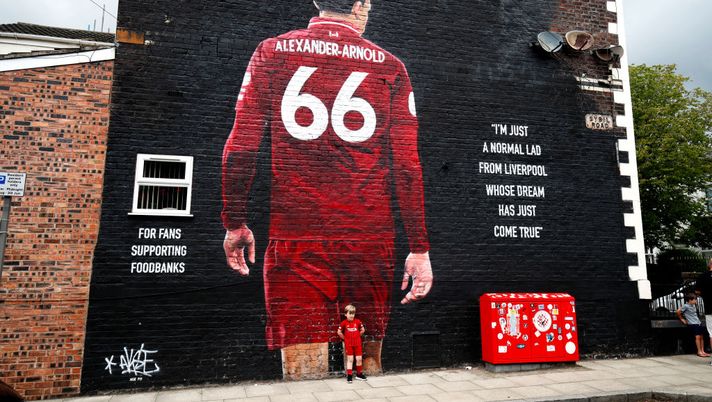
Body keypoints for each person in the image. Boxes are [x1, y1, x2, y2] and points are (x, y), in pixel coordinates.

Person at [221, 0, 433, 379]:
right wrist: (419, 246)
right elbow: (407, 166)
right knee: (367, 365)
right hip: (370, 238)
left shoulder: (272, 51)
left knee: (304, 374)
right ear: (359, 5)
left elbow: (241, 146)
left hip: (298, 237)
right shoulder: (389, 66)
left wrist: (235, 222)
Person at [337, 304, 367, 383]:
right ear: (345, 314)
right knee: (350, 359)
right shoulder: (344, 323)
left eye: (353, 313)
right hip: (349, 344)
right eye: (350, 313)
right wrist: (345, 339)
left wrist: (357, 336)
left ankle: (359, 374)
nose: (351, 315)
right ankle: (349, 375)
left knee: (359, 359)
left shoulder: (357, 322)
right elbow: (339, 332)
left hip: (357, 344)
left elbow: (362, 330)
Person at [676, 293, 709, 357]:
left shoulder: (693, 305)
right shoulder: (686, 306)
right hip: (693, 324)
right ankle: (699, 352)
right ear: (690, 300)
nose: (696, 301)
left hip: (698, 322)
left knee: (702, 337)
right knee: (697, 337)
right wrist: (682, 319)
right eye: (694, 300)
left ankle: (702, 351)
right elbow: (678, 311)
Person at [695, 258, 712, 353]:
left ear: (709, 264)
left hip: (709, 308)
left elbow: (697, 291)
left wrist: (705, 294)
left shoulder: (702, 277)